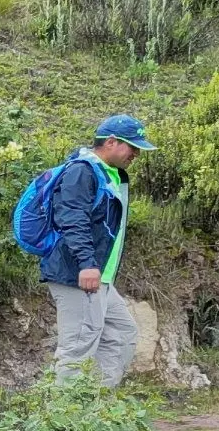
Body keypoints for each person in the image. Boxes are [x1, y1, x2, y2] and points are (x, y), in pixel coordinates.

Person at [44, 114, 148, 387]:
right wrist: (86, 264)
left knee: (121, 333)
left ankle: (97, 407)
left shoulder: (110, 174)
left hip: (99, 276)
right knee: (77, 348)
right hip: (79, 273)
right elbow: (72, 219)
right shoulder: (82, 171)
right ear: (111, 142)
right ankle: (60, 421)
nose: (136, 154)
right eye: (132, 147)